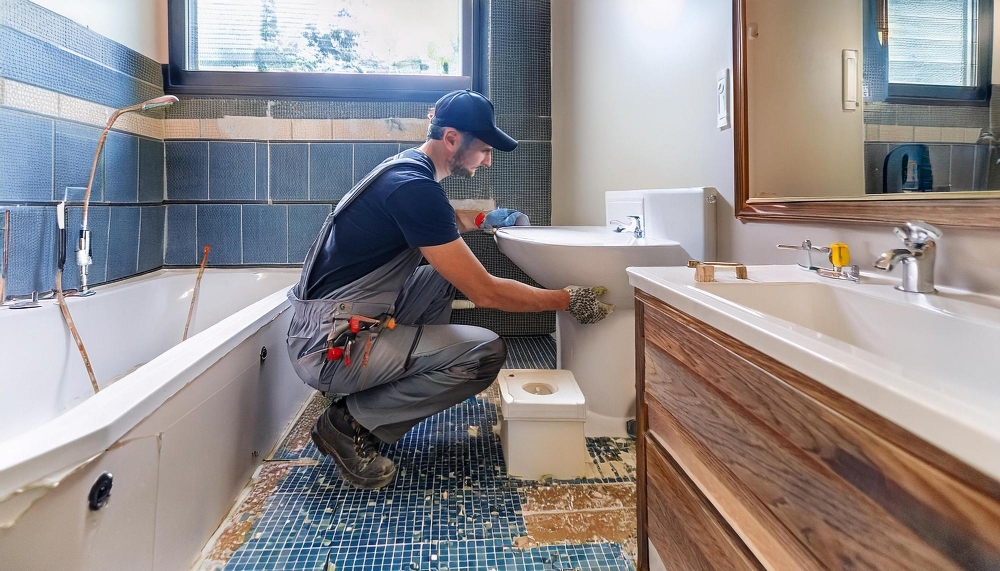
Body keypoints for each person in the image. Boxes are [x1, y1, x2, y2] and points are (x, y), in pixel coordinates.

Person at [285, 89, 613, 489]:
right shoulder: (414, 188)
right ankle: (347, 424)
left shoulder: (407, 170)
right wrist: (567, 299)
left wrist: (483, 217)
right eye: (484, 149)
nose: (489, 160)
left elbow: (441, 224)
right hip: (332, 346)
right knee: (484, 353)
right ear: (453, 139)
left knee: (443, 273)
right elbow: (485, 293)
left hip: (333, 323)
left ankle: (388, 382)